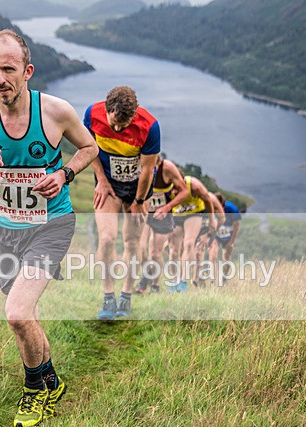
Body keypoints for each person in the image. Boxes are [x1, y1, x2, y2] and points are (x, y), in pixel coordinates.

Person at [0, 29, 98, 427]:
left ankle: (34, 393)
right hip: (4, 229)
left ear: (27, 71)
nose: (0, 79)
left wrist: (64, 174)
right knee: (26, 313)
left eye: (8, 69)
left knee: (16, 314)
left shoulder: (56, 111)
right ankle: (51, 380)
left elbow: (90, 148)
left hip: (51, 225)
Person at [85, 86, 160, 320]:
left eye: (123, 125)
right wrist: (101, 180)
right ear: (106, 110)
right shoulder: (92, 114)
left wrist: (139, 201)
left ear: (134, 116)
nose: (117, 130)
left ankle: (126, 296)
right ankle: (108, 297)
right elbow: (88, 149)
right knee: (107, 239)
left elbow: (147, 169)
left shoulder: (150, 126)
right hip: (109, 184)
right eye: (113, 124)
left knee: (132, 242)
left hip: (138, 189)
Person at [153, 171, 221, 292]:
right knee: (174, 249)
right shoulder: (165, 188)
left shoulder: (194, 186)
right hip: (176, 213)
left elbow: (207, 199)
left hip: (194, 212)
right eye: (172, 188)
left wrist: (211, 220)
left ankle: (183, 280)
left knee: (189, 244)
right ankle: (174, 281)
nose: (174, 191)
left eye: (177, 188)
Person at [135, 154, 184, 294]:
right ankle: (146, 275)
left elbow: (183, 191)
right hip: (146, 213)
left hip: (163, 216)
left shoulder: (166, 169)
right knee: (141, 249)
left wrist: (167, 207)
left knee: (155, 254)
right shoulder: (139, 166)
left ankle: (155, 285)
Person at [208, 192, 242, 279]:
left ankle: (224, 277)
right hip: (216, 233)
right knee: (213, 255)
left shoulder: (232, 208)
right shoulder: (209, 207)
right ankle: (212, 280)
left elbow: (237, 226)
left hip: (228, 234)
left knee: (226, 256)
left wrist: (231, 242)